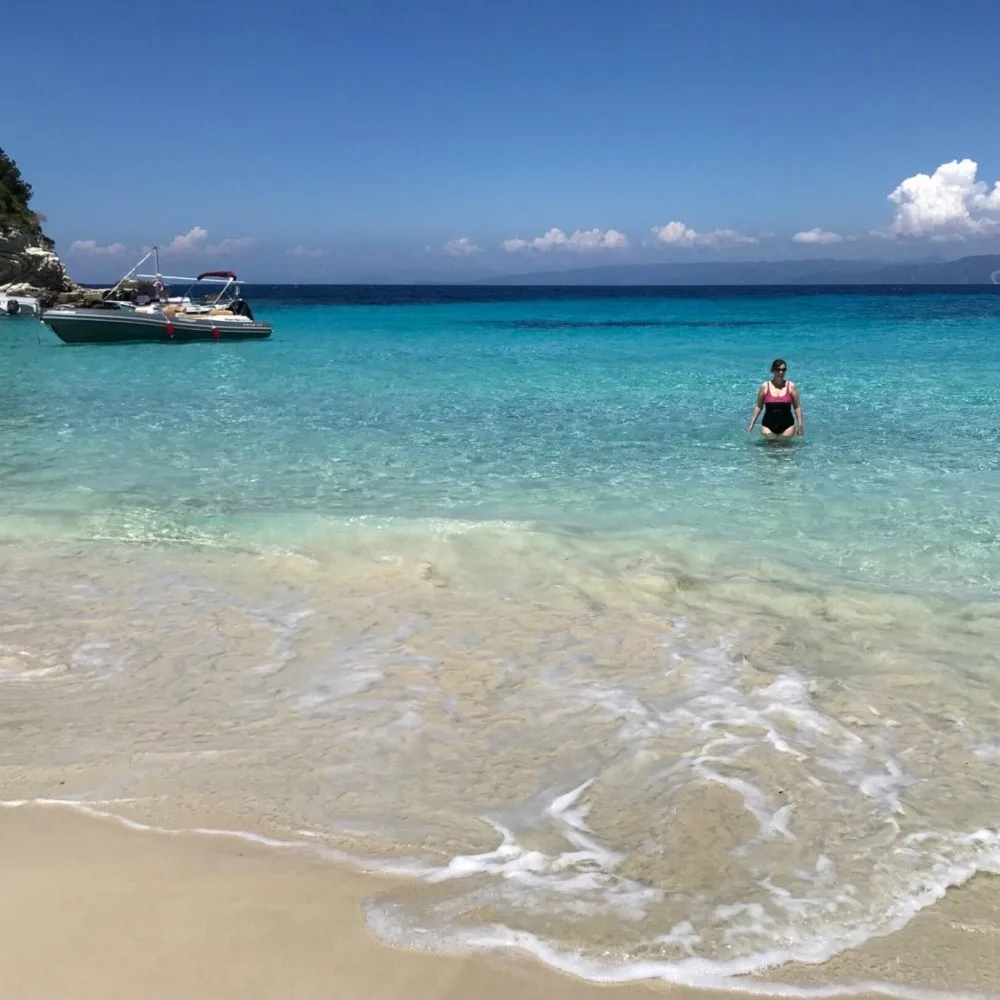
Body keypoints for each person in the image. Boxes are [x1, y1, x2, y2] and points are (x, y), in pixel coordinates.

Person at [746, 358, 803, 437]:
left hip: (788, 426)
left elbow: (797, 407)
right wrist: (751, 424)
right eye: (778, 369)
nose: (781, 372)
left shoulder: (791, 386)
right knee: (768, 448)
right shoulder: (765, 386)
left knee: (786, 448)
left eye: (783, 370)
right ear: (773, 370)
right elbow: (759, 406)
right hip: (767, 426)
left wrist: (800, 425)